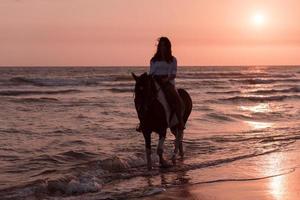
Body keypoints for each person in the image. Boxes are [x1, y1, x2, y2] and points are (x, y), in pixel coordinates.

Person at [136, 37, 184, 132]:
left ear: (168, 47)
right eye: (160, 45)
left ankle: (180, 121)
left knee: (175, 97)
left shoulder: (172, 59)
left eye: (164, 45)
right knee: (143, 97)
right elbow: (151, 72)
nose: (162, 47)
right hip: (155, 80)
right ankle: (143, 122)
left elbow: (173, 74)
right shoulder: (153, 60)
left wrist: (166, 79)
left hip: (167, 82)